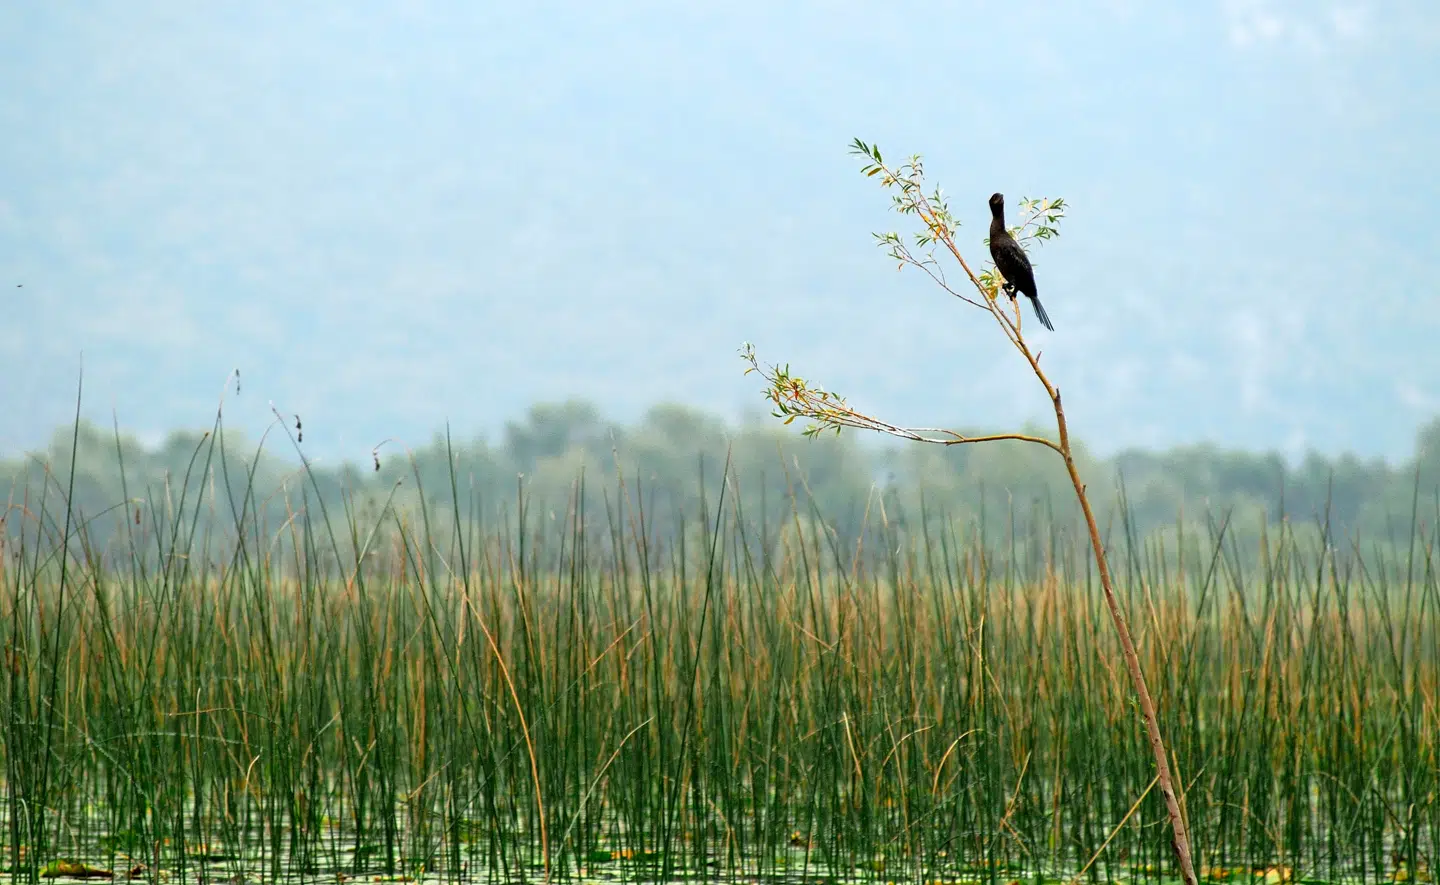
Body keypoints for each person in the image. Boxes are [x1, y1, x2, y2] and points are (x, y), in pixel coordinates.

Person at [988, 192, 1054, 331]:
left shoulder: (1004, 242)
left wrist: (1014, 288)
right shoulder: (999, 238)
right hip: (1019, 281)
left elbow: (1022, 271)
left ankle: (1014, 288)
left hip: (1025, 284)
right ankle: (1014, 288)